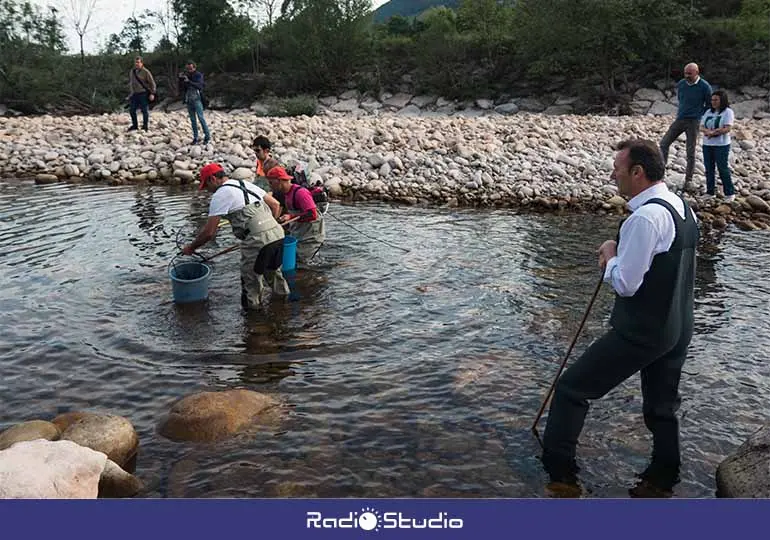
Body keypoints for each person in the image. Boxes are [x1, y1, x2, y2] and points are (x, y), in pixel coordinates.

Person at [541, 139, 699, 498]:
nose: (613, 174)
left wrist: (609, 256)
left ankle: (560, 476)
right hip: (678, 327)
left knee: (570, 390)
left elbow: (626, 284)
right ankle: (663, 479)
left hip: (643, 330)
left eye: (618, 167)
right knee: (662, 408)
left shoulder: (644, 218)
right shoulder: (682, 207)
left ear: (638, 172)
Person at [182, 163, 289, 308]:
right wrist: (266, 229)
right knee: (274, 274)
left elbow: (209, 232)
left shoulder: (220, 195)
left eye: (206, 186)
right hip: (277, 233)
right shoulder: (244, 183)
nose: (207, 191)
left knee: (251, 284)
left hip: (257, 239)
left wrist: (191, 247)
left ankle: (253, 322)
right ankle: (285, 308)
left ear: (213, 179)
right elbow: (275, 205)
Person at [659, 62, 712, 190]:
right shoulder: (682, 84)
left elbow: (709, 104)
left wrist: (699, 114)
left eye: (690, 73)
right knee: (664, 143)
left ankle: (688, 180)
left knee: (691, 151)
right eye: (685, 73)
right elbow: (681, 98)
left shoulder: (704, 86)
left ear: (697, 73)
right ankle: (660, 175)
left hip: (693, 121)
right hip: (680, 118)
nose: (687, 75)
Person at [266, 166, 325, 264]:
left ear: (280, 180)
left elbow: (312, 214)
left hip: (311, 235)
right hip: (300, 232)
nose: (270, 186)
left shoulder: (301, 193)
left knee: (305, 262)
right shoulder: (286, 193)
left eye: (271, 182)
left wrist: (290, 217)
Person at [700, 89, 735, 202]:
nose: (713, 102)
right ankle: (710, 192)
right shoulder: (708, 112)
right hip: (707, 144)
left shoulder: (728, 112)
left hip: (721, 145)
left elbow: (727, 128)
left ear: (722, 100)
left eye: (716, 100)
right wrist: (707, 131)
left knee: (722, 168)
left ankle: (729, 193)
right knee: (709, 168)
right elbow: (701, 126)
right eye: (712, 100)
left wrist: (713, 133)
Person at [178, 61, 211, 145]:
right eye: (188, 69)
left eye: (191, 68)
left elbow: (200, 86)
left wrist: (189, 81)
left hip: (197, 99)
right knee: (193, 120)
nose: (189, 70)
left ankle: (207, 136)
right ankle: (195, 137)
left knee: (200, 117)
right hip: (189, 99)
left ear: (194, 68)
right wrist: (181, 80)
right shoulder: (186, 75)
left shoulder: (198, 75)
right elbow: (182, 88)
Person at [127, 56, 156, 132]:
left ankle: (145, 126)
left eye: (138, 62)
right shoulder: (132, 72)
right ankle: (135, 125)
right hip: (135, 94)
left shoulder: (146, 72)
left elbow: (152, 83)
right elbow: (131, 83)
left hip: (143, 93)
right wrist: (130, 93)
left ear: (142, 63)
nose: (136, 64)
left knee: (144, 110)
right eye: (135, 62)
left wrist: (152, 93)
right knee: (132, 110)